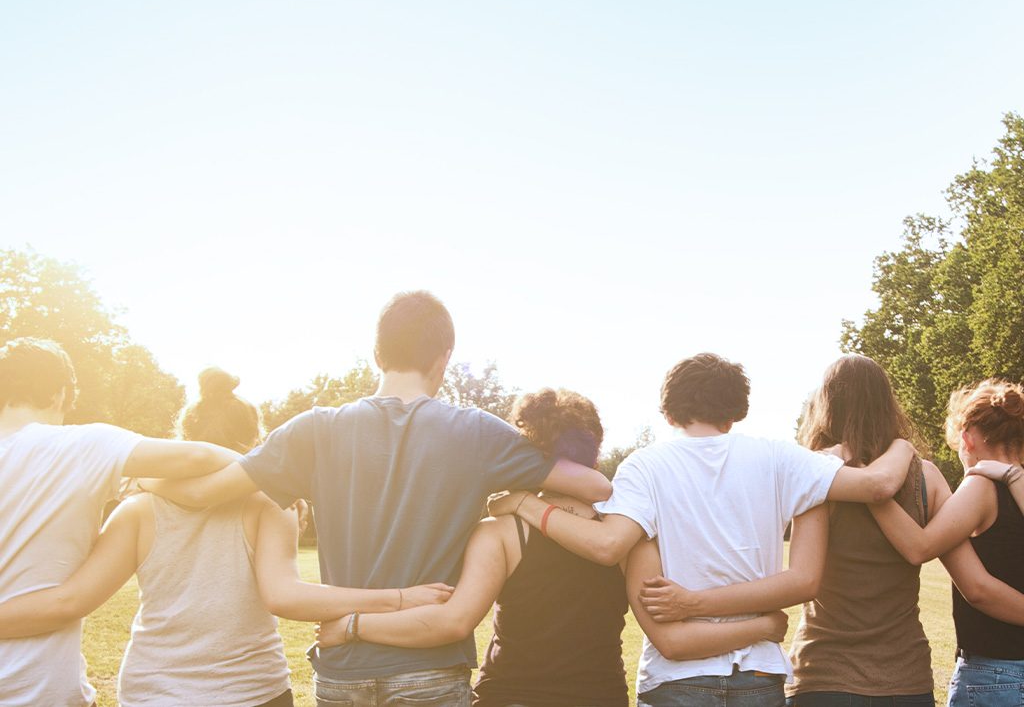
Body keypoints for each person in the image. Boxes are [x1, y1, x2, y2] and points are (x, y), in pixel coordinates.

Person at [144, 291, 612, 706]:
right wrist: (518, 502)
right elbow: (594, 487)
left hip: (342, 672)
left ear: (376, 354)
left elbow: (202, 494)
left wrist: (144, 479)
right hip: (429, 671)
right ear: (444, 357)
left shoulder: (313, 430)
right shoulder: (476, 433)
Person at [0, 366, 454, 706]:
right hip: (253, 692)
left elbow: (72, 599)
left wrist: (147, 482)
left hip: (153, 693)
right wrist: (397, 597)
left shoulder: (138, 509)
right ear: (253, 438)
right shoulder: (268, 503)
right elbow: (285, 596)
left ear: (184, 436)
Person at [490, 352, 918, 707]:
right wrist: (902, 444)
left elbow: (611, 546)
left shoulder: (644, 466)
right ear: (736, 412)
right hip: (758, 674)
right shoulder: (777, 457)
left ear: (668, 410)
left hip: (677, 680)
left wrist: (525, 503)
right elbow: (877, 485)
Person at [316, 388, 790, 707]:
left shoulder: (500, 531)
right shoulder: (628, 531)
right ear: (595, 445)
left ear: (526, 447)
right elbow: (668, 628)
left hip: (511, 695)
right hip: (597, 695)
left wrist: (355, 624)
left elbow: (455, 620)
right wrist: (762, 623)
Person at [0, 338, 243, 706]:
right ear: (60, 395)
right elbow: (198, 457)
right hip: (38, 691)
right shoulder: (80, 446)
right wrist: (272, 475)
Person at [785, 356, 1024, 707]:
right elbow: (974, 582)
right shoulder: (926, 477)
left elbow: (803, 577)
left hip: (823, 673)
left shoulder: (817, 476)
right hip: (905, 679)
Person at [870, 379, 1024, 707]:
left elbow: (921, 548)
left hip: (996, 674)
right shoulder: (1019, 483)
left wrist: (872, 490)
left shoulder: (981, 487)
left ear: (967, 438)